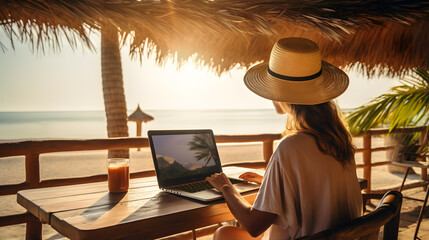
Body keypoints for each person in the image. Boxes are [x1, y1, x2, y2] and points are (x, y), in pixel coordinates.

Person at [205, 37, 363, 240]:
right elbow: (317, 187)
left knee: (224, 234)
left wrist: (225, 186)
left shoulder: (291, 147)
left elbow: (254, 225)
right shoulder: (339, 142)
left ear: (282, 95)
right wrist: (268, 181)